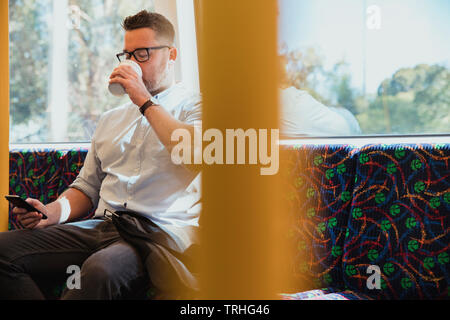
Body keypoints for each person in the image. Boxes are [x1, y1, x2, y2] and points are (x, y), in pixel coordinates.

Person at [0, 10, 202, 300]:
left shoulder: (194, 106)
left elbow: (194, 153)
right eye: (127, 55)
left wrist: (143, 99)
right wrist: (51, 213)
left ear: (171, 55)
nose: (133, 62)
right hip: (102, 224)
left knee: (100, 271)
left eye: (143, 53)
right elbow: (86, 188)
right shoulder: (110, 119)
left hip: (156, 234)